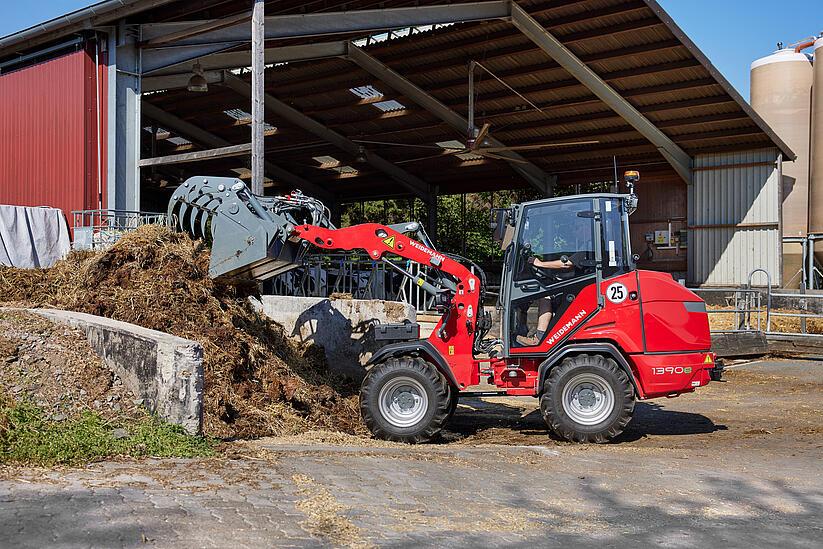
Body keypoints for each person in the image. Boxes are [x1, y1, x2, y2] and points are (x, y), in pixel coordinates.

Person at [515, 255, 573, 346]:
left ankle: (540, 336)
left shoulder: (585, 253)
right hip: (569, 290)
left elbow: (566, 264)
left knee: (545, 297)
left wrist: (539, 263)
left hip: (574, 293)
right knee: (543, 295)